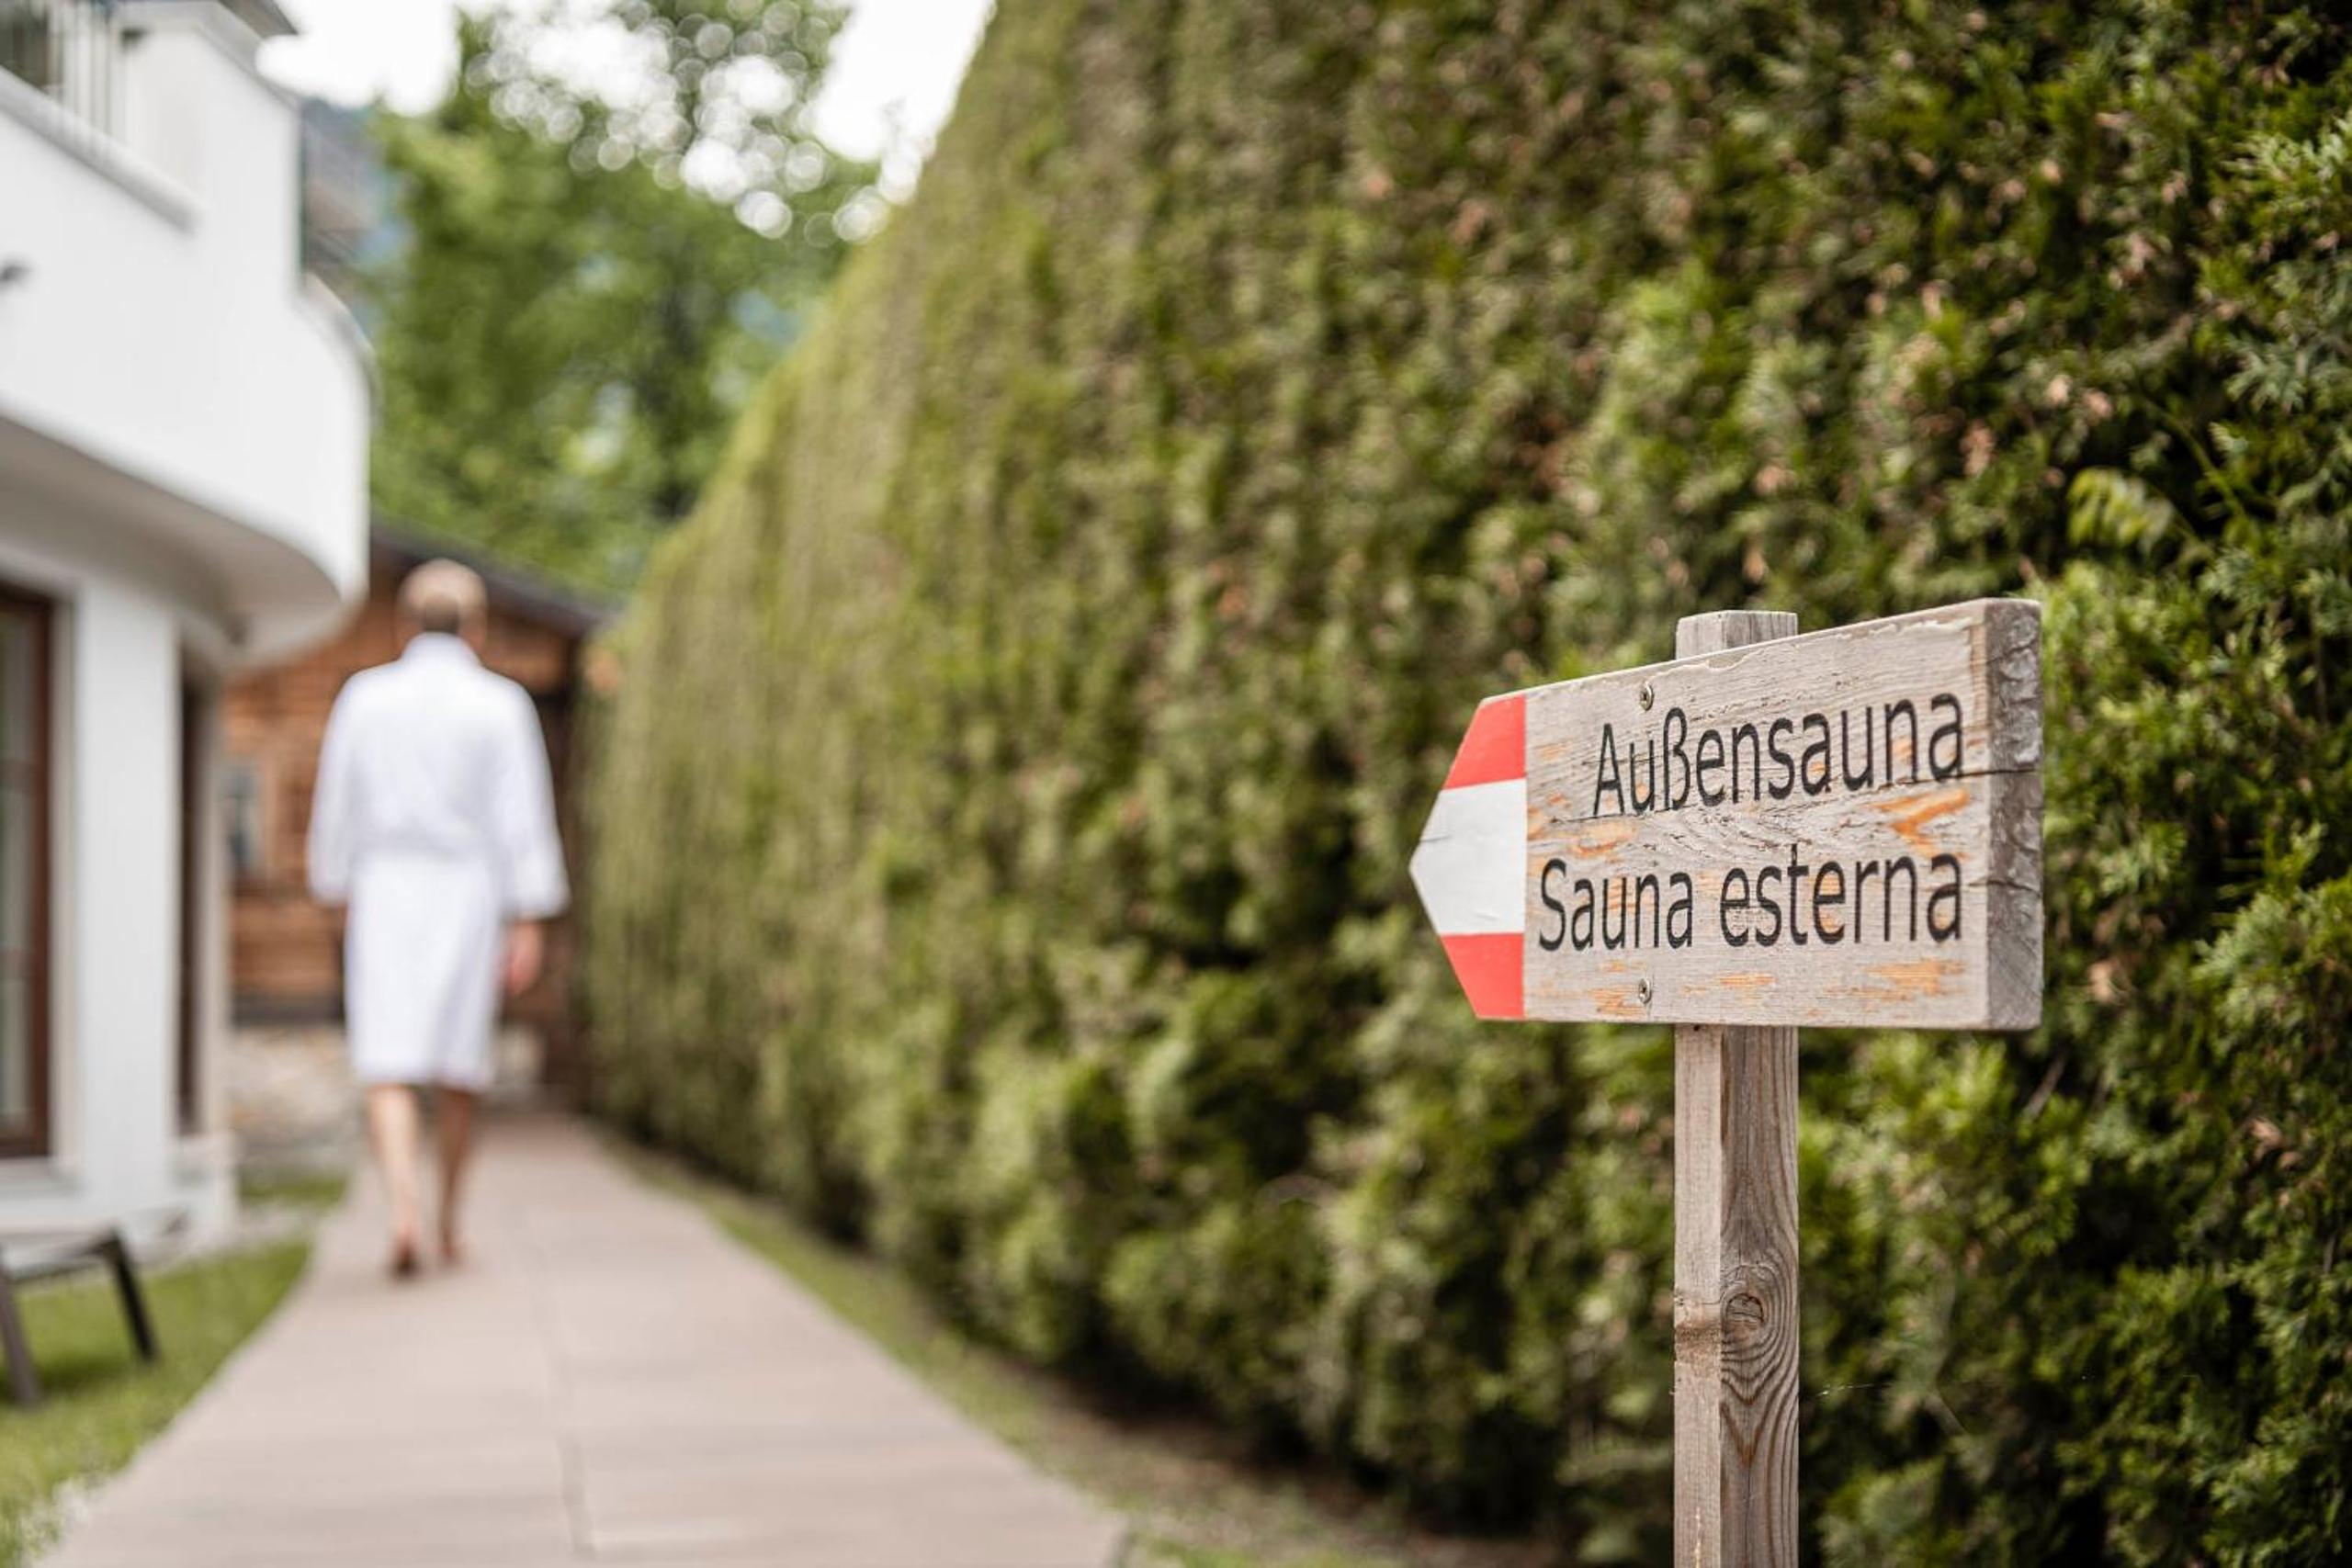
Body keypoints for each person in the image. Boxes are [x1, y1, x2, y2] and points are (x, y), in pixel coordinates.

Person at [307, 560, 568, 1277]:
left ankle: (403, 1210)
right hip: (466, 893)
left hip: (384, 887)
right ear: (476, 627)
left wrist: (337, 888)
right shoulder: (501, 704)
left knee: (386, 1059)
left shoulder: (365, 697)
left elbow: (336, 805)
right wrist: (528, 918)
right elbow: (522, 818)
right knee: (459, 1063)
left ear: (404, 623)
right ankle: (448, 1219)